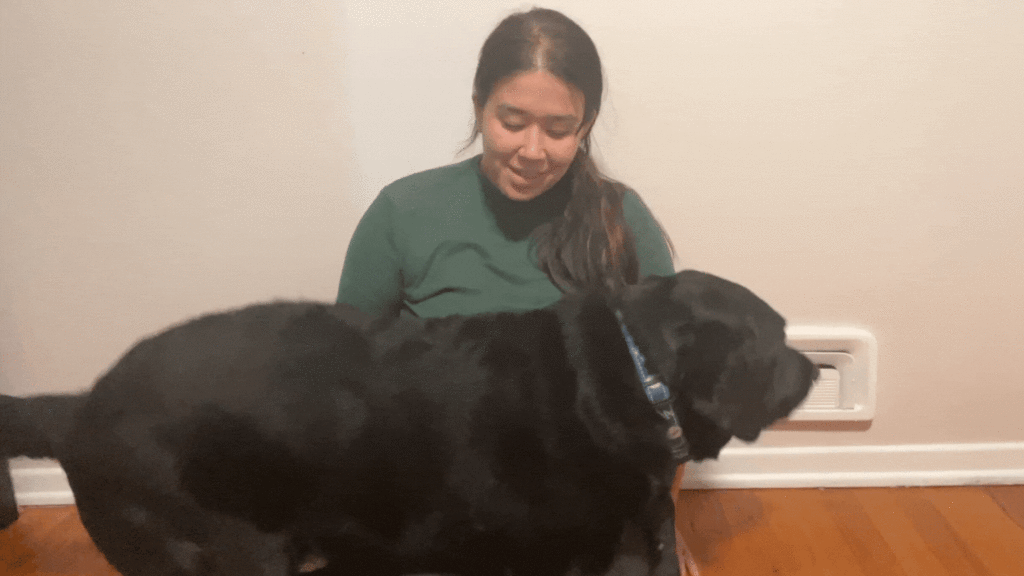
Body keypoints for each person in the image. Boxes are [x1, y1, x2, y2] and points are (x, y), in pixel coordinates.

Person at [336, 7, 698, 575]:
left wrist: (660, 520)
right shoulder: (402, 213)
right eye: (512, 121)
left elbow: (673, 393)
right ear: (479, 105)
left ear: (586, 123)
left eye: (558, 129)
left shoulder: (621, 221)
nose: (533, 151)